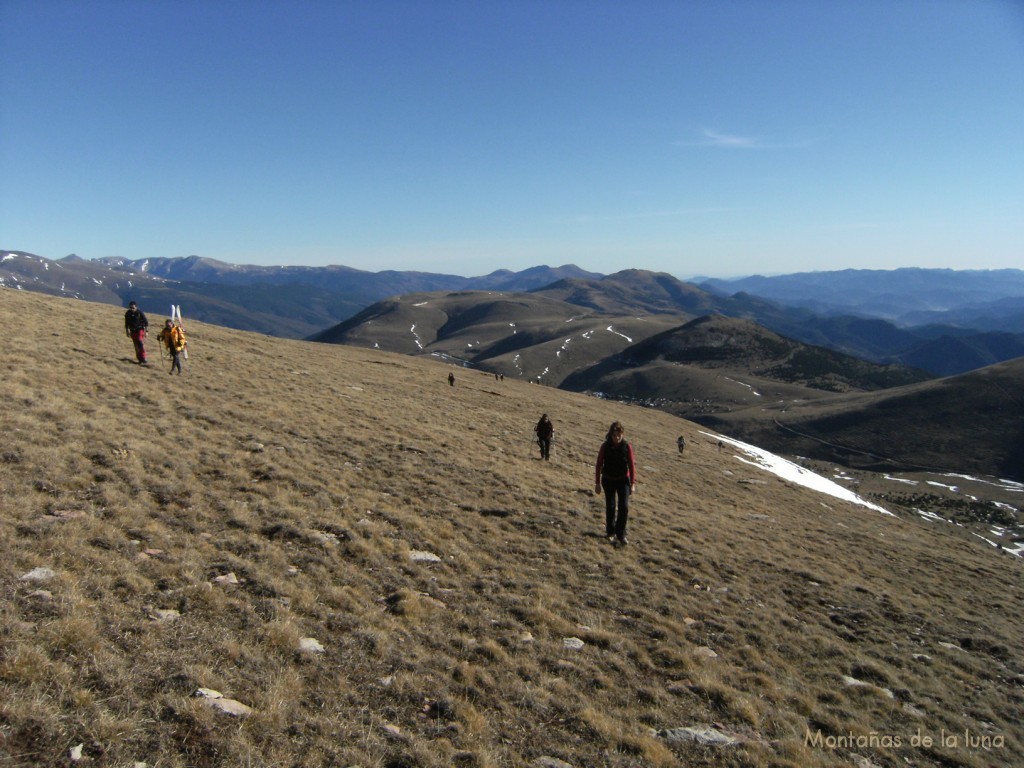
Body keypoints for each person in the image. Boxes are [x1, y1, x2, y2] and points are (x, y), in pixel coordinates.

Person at [594, 421, 636, 546]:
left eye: (619, 435)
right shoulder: (605, 446)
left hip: (623, 480)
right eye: (614, 435)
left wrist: (633, 483)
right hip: (608, 480)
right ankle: (610, 532)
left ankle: (621, 534)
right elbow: (599, 464)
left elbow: (631, 465)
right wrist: (597, 483)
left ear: (622, 434)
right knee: (611, 506)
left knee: (624, 507)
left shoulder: (626, 446)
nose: (617, 438)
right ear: (610, 435)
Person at [124, 301, 149, 365]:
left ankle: (144, 357)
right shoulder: (128, 313)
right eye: (130, 308)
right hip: (132, 331)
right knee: (136, 345)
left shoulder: (140, 313)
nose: (132, 309)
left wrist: (146, 331)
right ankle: (139, 359)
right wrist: (127, 331)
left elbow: (146, 322)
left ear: (136, 307)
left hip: (139, 330)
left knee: (139, 342)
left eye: (133, 308)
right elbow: (126, 323)